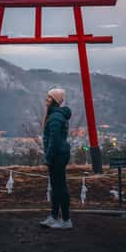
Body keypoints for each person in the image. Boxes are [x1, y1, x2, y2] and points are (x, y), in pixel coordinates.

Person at [39, 88, 73, 229]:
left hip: (57, 156)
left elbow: (54, 140)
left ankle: (66, 220)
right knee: (56, 187)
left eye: (49, 97)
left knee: (60, 187)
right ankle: (54, 217)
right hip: (59, 155)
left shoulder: (55, 117)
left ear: (54, 100)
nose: (46, 100)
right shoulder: (56, 115)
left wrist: (48, 157)